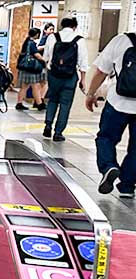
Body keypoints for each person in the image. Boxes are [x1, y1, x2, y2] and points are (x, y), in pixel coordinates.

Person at [85, 30, 136, 197]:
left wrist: (91, 93)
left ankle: (109, 167)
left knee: (106, 138)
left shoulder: (121, 40)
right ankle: (127, 186)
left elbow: (101, 71)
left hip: (117, 102)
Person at [42, 17, 87, 142]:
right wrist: (83, 80)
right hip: (70, 76)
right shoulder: (79, 40)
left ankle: (48, 125)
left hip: (54, 75)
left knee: (52, 100)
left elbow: (46, 57)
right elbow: (83, 62)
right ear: (74, 27)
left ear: (61, 26)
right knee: (65, 104)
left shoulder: (53, 37)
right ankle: (58, 132)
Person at [15, 27, 47, 111]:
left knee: (25, 86)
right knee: (35, 85)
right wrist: (44, 61)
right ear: (36, 34)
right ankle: (39, 103)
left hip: (25, 67)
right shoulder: (31, 43)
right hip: (30, 68)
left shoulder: (27, 42)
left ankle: (19, 103)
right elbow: (36, 54)